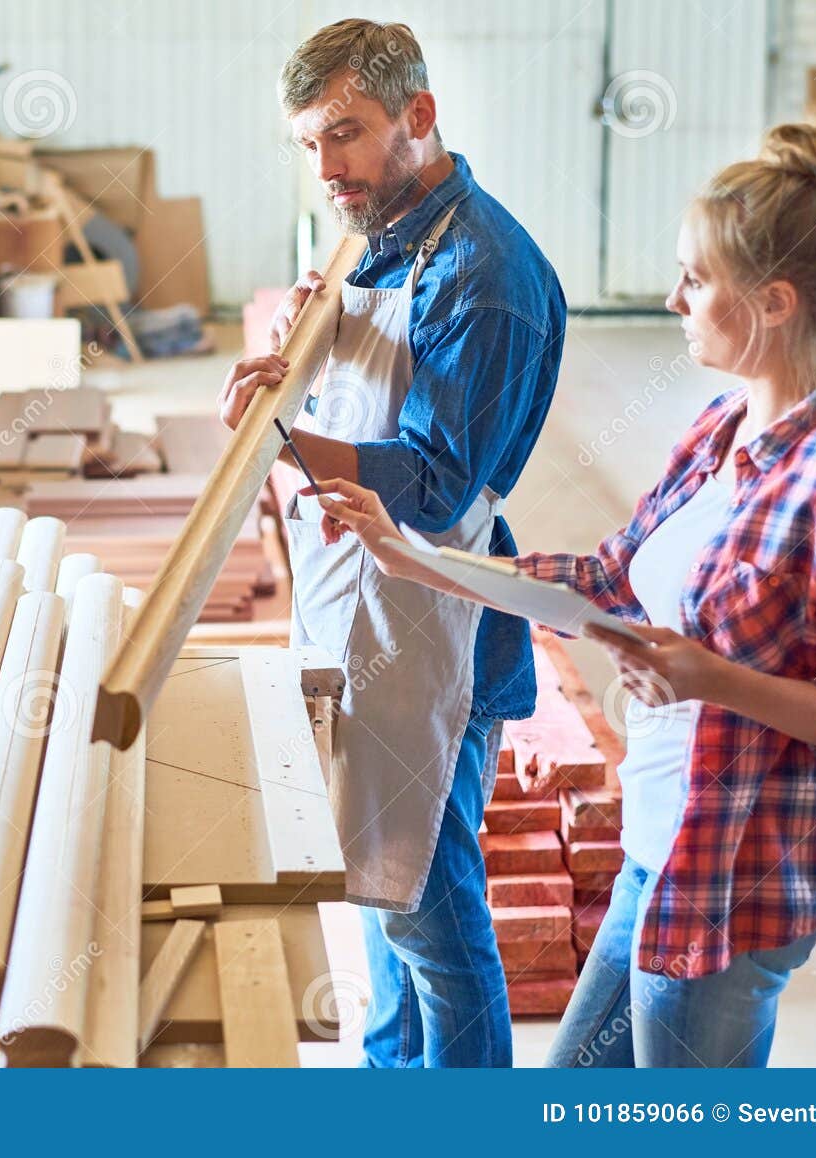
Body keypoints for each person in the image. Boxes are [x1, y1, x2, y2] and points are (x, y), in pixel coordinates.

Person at [301, 124, 816, 1067]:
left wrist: (711, 680)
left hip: (736, 877)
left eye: (695, 280)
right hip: (657, 843)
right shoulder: (719, 430)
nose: (672, 299)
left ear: (774, 302)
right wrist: (411, 556)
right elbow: (606, 583)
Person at [218, 19, 566, 1067]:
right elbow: (360, 374)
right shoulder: (380, 227)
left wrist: (280, 437)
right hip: (359, 610)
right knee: (376, 888)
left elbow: (434, 482)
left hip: (430, 630)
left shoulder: (483, 275)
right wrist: (295, 354)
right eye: (309, 145)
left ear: (419, 115)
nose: (327, 168)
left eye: (346, 134)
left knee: (430, 916)